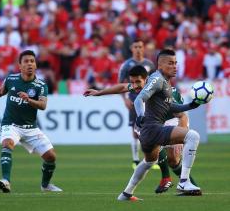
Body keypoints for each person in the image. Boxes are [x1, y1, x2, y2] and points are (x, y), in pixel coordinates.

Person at [84, 65, 197, 194]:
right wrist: (98, 93)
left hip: (174, 120)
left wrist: (180, 137)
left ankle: (188, 184)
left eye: (138, 82)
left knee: (173, 159)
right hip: (156, 122)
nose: (135, 86)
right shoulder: (139, 87)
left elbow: (182, 115)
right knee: (147, 136)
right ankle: (167, 178)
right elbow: (122, 87)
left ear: (147, 80)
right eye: (132, 82)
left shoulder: (164, 90)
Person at [116, 49, 205, 201]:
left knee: (148, 162)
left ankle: (126, 194)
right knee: (193, 136)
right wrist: (141, 115)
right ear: (160, 65)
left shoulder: (165, 83)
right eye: (170, 63)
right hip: (153, 128)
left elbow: (171, 108)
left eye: (176, 63)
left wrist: (192, 105)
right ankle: (184, 182)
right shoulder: (157, 79)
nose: (175, 66)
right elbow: (139, 100)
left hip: (148, 132)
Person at [0, 50, 62, 193]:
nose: (30, 64)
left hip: (30, 128)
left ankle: (45, 185)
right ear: (20, 65)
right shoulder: (11, 79)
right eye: (26, 61)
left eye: (32, 61)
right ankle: (5, 180)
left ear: (35, 65)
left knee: (51, 156)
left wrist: (28, 99)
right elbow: (0, 92)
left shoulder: (41, 85)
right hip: (11, 124)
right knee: (7, 143)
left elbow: (43, 106)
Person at [118, 40, 155, 169]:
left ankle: (151, 159)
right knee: (136, 130)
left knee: (151, 129)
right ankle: (135, 159)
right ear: (131, 48)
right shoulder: (127, 65)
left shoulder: (149, 64)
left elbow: (154, 81)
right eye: (136, 47)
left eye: (140, 46)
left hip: (149, 101)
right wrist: (125, 99)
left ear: (143, 48)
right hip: (134, 101)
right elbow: (120, 84)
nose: (138, 49)